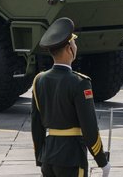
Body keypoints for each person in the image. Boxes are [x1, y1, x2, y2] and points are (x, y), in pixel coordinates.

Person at [31, 17, 111, 177]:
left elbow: (36, 126)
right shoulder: (79, 83)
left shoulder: (39, 80)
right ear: (69, 49)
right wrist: (102, 161)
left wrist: (41, 156)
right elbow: (89, 128)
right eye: (74, 42)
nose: (76, 45)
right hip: (72, 158)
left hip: (49, 158)